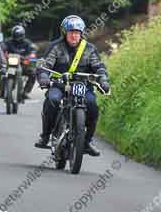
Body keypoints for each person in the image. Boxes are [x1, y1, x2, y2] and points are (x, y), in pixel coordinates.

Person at [34, 15, 110, 157]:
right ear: (65, 33)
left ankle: (87, 141)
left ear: (81, 34)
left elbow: (98, 67)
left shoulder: (89, 49)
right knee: (52, 100)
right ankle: (45, 135)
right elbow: (45, 65)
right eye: (71, 32)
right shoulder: (55, 47)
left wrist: (103, 80)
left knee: (92, 105)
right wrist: (43, 77)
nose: (74, 36)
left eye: (77, 32)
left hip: (83, 86)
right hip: (59, 85)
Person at [2, 25, 37, 99]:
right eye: (16, 36)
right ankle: (1, 91)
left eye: (19, 36)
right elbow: (3, 47)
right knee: (2, 71)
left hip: (23, 64)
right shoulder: (8, 42)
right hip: (11, 64)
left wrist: (31, 55)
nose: (17, 38)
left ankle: (25, 92)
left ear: (23, 35)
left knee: (33, 73)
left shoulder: (27, 43)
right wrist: (4, 52)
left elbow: (32, 50)